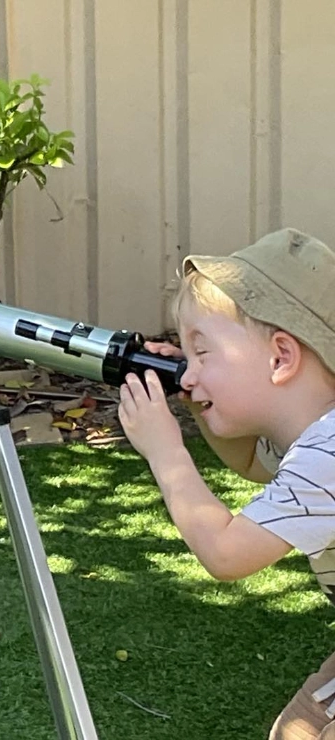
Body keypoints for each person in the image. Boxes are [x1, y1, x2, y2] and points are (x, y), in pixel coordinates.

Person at [116, 227, 335, 740]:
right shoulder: (312, 439)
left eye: (202, 353)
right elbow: (252, 464)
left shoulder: (329, 455)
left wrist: (166, 452)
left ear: (281, 357)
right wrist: (196, 395)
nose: (187, 376)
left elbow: (227, 554)